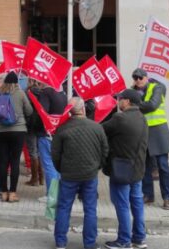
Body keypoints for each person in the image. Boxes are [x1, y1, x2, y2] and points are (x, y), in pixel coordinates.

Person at [52, 97, 108, 249]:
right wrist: (97, 166)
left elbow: (55, 154)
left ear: (69, 111)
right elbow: (105, 151)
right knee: (90, 209)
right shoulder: (97, 127)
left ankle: (60, 242)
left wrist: (61, 169)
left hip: (68, 175)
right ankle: (89, 243)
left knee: (64, 208)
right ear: (83, 109)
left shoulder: (62, 128)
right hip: (90, 175)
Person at [102, 89, 149, 249]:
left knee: (121, 204)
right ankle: (139, 238)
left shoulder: (120, 118)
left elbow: (100, 130)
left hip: (121, 169)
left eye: (120, 99)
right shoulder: (142, 118)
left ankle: (123, 240)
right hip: (138, 169)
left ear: (127, 101)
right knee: (137, 203)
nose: (118, 101)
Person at [132, 68, 169, 210]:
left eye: (140, 77)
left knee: (163, 166)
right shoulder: (134, 90)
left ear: (146, 77)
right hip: (143, 131)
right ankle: (148, 195)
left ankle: (167, 198)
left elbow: (152, 105)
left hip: (158, 131)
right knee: (145, 167)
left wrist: (135, 104)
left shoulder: (157, 87)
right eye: (135, 78)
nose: (138, 80)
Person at [0, 71, 33, 203]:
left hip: (1, 131)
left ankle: (3, 192)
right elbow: (29, 111)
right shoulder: (20, 93)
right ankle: (12, 193)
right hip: (18, 131)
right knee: (14, 161)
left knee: (3, 161)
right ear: (16, 82)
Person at [30, 80, 67, 199]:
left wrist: (34, 123)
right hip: (59, 133)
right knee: (57, 166)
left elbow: (42, 114)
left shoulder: (46, 93)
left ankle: (52, 195)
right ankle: (58, 193)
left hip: (47, 134)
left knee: (49, 166)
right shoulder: (62, 93)